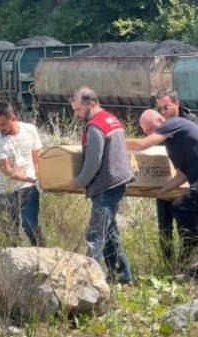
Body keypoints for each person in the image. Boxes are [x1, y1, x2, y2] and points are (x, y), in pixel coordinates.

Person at [126, 109, 198, 283]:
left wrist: (113, 140)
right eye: (146, 131)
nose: (151, 133)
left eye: (151, 129)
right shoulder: (173, 145)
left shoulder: (173, 123)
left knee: (179, 208)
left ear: (160, 119)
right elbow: (182, 176)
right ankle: (194, 277)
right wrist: (161, 191)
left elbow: (142, 145)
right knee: (189, 225)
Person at [69, 87, 134, 284]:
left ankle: (89, 281)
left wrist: (79, 181)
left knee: (95, 234)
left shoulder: (95, 126)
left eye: (79, 110)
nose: (76, 114)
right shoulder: (111, 119)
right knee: (109, 231)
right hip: (118, 181)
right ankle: (122, 276)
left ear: (92, 104)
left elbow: (93, 162)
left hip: (106, 184)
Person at [153, 89, 198, 268]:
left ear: (177, 104)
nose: (163, 112)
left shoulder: (190, 121)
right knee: (164, 229)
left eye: (166, 107)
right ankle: (168, 266)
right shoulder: (159, 123)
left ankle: (185, 265)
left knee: (185, 227)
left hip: (185, 182)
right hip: (165, 179)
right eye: (160, 109)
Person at [0, 101, 46, 247]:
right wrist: (33, 179)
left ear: (13, 118)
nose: (0, 128)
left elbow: (36, 158)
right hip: (5, 190)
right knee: (10, 232)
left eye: (3, 124)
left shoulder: (30, 130)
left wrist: (40, 179)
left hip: (29, 187)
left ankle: (43, 254)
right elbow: (8, 171)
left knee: (30, 224)